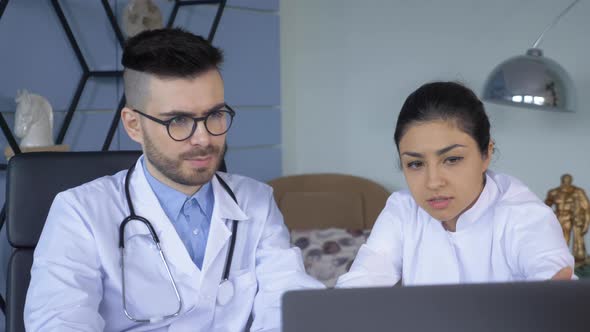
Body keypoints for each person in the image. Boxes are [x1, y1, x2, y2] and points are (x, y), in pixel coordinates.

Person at [24, 28, 323, 331]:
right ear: (133, 125)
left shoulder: (256, 201)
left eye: (216, 114)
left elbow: (288, 306)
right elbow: (59, 323)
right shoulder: (80, 213)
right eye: (178, 121)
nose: (204, 138)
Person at [336, 81, 574, 287]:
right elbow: (359, 289)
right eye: (416, 164)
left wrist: (556, 295)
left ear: (486, 154)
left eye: (452, 159)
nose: (433, 182)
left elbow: (553, 283)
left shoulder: (523, 216)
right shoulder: (402, 211)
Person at [545, 174, 590, 263]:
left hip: (574, 217)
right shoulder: (554, 192)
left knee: (578, 239)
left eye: (568, 181)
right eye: (565, 181)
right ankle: (560, 258)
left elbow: (587, 207)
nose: (566, 183)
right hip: (559, 217)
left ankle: (579, 258)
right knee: (560, 239)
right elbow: (546, 206)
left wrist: (586, 223)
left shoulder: (578, 192)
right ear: (562, 181)